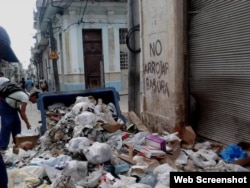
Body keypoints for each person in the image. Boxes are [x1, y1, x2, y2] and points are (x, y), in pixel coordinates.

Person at [0, 25, 19, 188]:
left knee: (12, 126)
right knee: (7, 125)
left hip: (10, 109)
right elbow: (24, 110)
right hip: (7, 108)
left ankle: (14, 141)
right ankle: (4, 144)